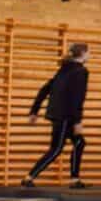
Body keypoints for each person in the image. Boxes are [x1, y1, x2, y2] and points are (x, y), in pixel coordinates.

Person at [23, 43, 90, 188]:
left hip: (59, 114)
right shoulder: (81, 71)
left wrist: (34, 110)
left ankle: (74, 178)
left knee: (79, 143)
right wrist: (77, 121)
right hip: (66, 116)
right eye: (88, 53)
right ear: (83, 54)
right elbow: (78, 97)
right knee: (56, 148)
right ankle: (29, 177)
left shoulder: (64, 69)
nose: (89, 55)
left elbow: (45, 89)